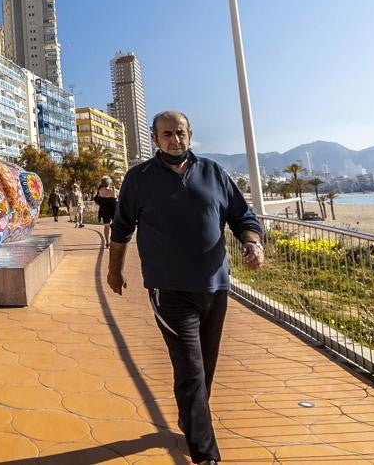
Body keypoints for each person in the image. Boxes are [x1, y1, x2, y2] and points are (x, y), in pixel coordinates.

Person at [107, 111, 265, 465]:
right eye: (166, 134)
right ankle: (205, 455)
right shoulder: (139, 178)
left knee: (204, 367)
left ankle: (190, 418)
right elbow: (121, 229)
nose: (174, 139)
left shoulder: (214, 173)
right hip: (169, 290)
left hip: (215, 286)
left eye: (179, 133)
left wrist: (252, 242)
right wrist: (114, 269)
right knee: (190, 369)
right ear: (154, 138)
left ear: (190, 134)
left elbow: (243, 216)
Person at [94, 176, 118, 247]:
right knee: (115, 227)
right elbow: (119, 196)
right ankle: (113, 241)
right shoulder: (113, 190)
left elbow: (97, 199)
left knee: (106, 226)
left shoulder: (100, 191)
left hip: (104, 211)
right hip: (113, 211)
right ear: (109, 183)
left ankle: (107, 242)